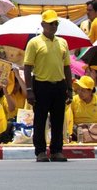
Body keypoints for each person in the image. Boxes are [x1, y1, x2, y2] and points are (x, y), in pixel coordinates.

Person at [24, 9, 73, 162]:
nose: (53, 26)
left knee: (58, 120)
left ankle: (57, 150)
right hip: (41, 85)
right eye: (50, 23)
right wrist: (29, 90)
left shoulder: (62, 42)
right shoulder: (34, 43)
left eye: (55, 23)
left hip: (59, 85)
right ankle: (40, 151)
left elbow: (67, 67)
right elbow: (27, 67)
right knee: (40, 119)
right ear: (43, 24)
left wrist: (69, 89)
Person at [71, 75, 97, 139]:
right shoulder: (73, 100)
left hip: (94, 130)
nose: (80, 92)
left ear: (90, 91)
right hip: (77, 130)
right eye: (79, 89)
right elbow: (69, 120)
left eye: (83, 90)